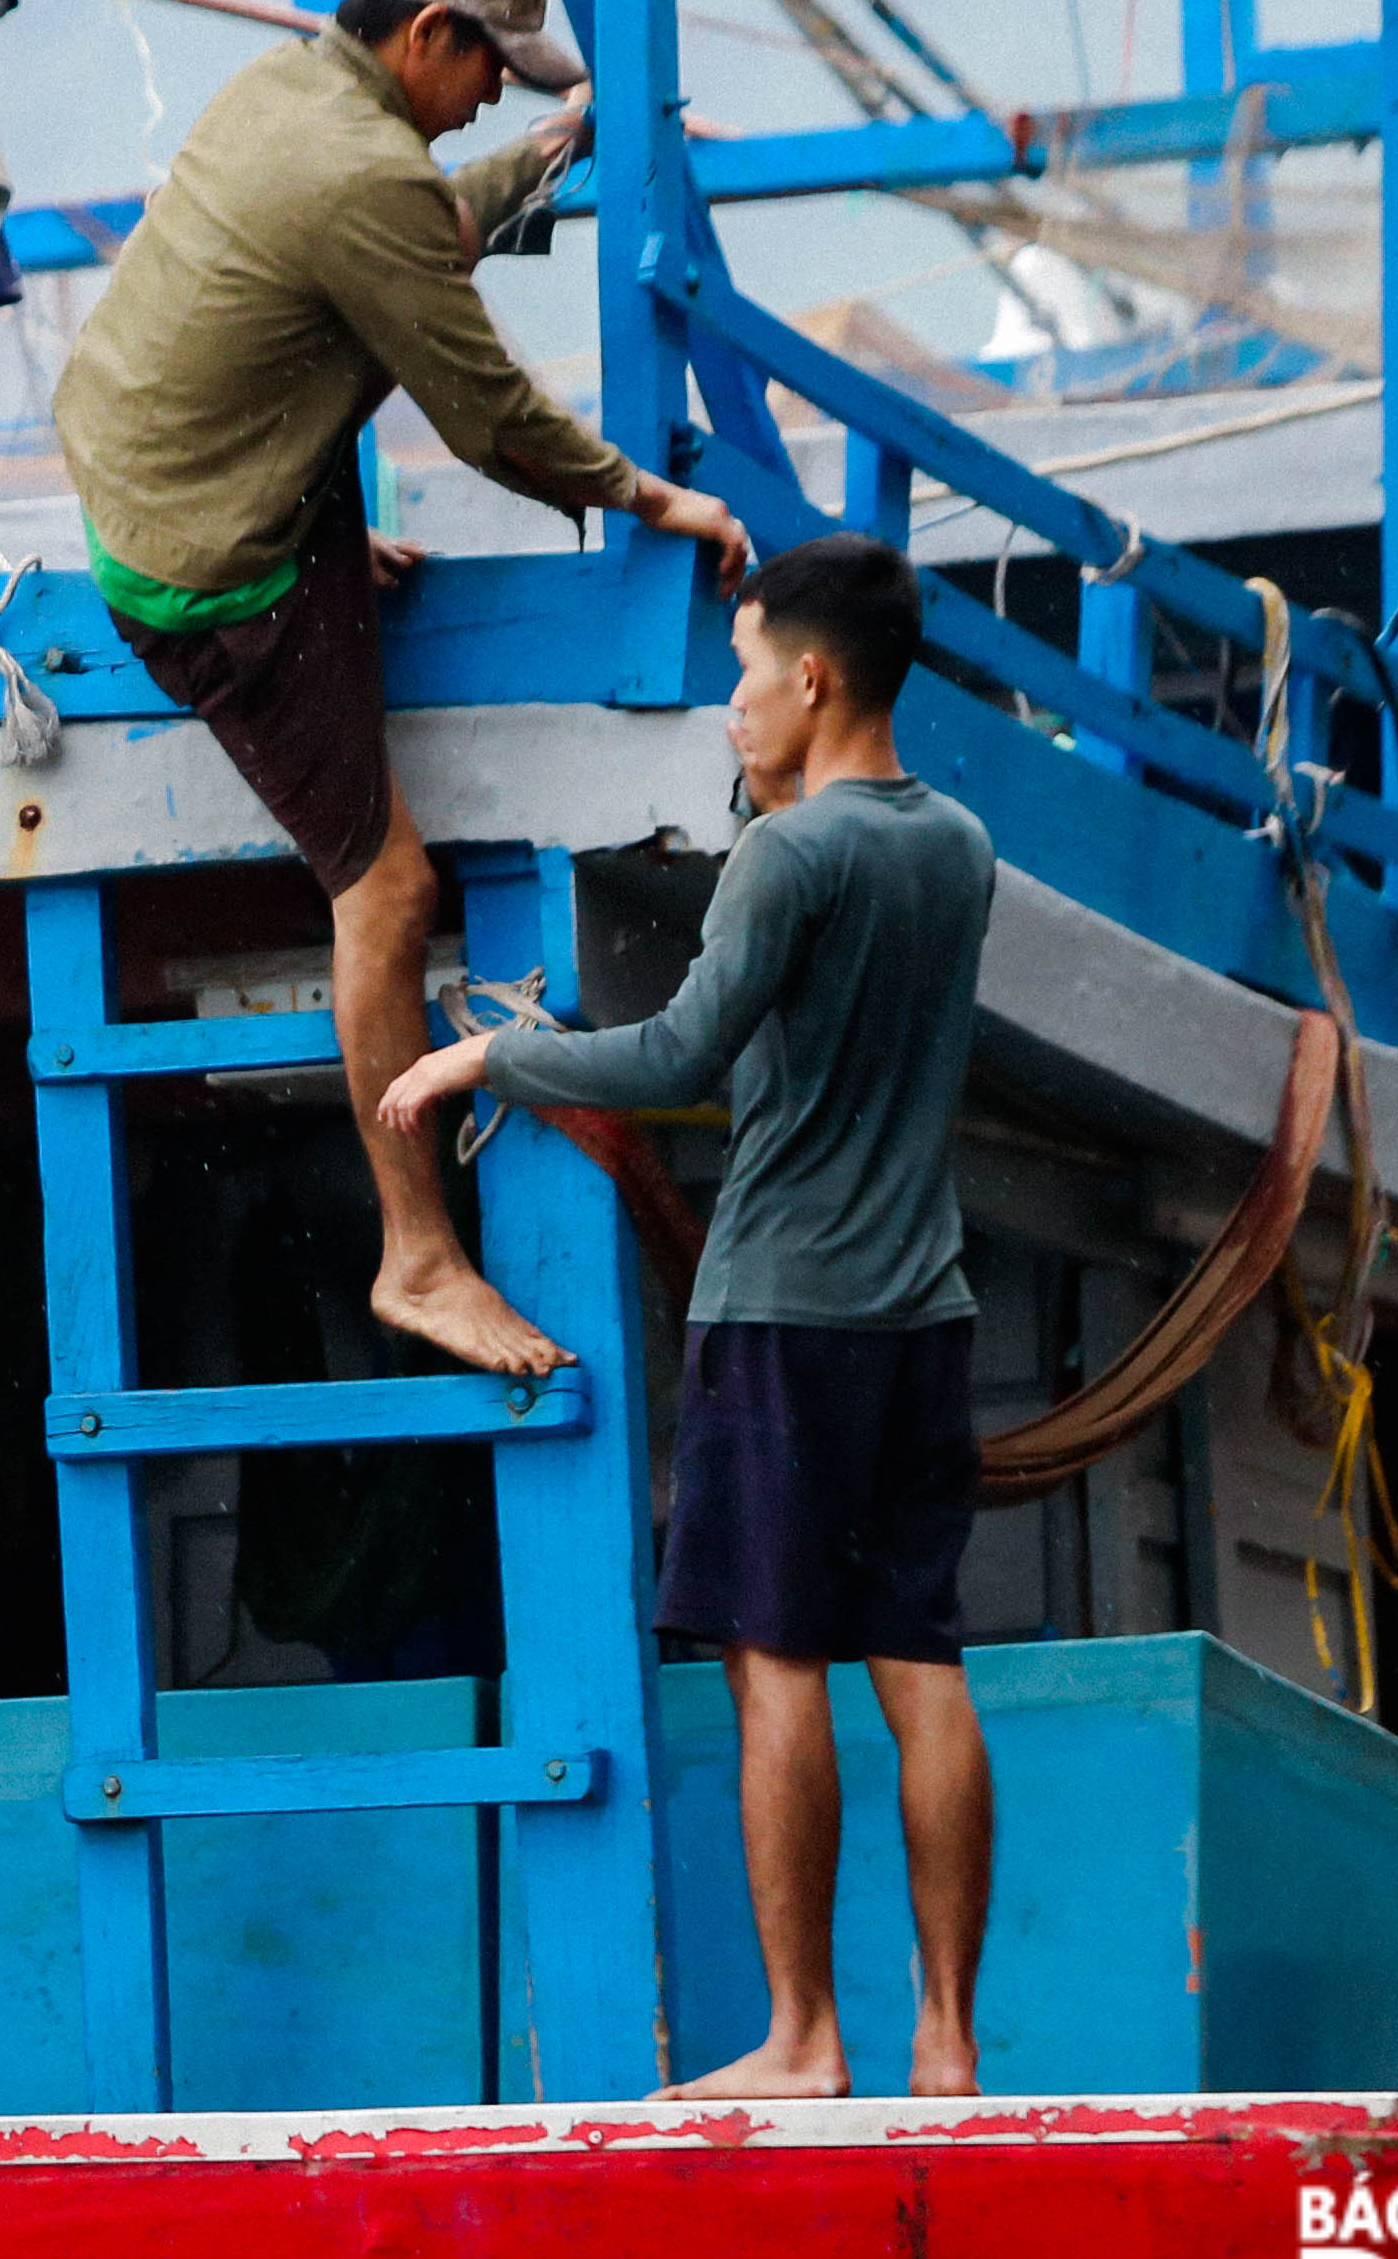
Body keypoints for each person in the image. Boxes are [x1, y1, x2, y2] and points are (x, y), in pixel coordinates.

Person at [53, 0, 751, 1380]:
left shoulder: (292, 86)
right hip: (204, 573)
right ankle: (415, 1256)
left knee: (351, 336)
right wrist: (651, 496)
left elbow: (413, 225)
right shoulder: (365, 176)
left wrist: (558, 141)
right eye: (490, 68)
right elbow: (490, 416)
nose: (494, 90)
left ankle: (308, 499)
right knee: (386, 888)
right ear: (427, 35)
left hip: (157, 459)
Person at [377, 533, 998, 2099]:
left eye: (740, 673)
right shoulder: (959, 846)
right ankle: (943, 2039)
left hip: (784, 1311)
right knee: (916, 1664)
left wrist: (486, 1058)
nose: (727, 702)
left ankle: (799, 2040)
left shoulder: (790, 860)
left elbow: (675, 1054)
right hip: (921, 1310)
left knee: (770, 1656)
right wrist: (760, 801)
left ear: (809, 676)